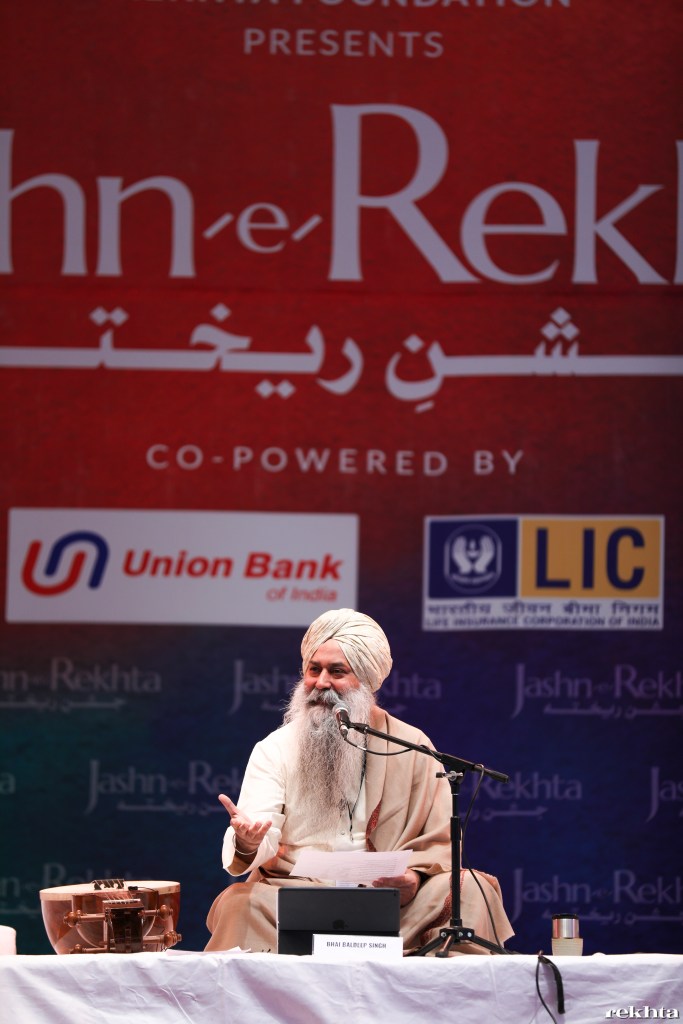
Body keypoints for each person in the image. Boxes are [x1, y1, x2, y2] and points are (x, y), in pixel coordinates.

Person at [205, 608, 513, 954]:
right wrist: (248, 842)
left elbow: (439, 839)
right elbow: (260, 830)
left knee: (473, 890)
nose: (321, 683)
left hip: (391, 902)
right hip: (300, 895)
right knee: (239, 903)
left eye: (337, 672)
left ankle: (450, 987)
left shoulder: (411, 746)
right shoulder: (275, 748)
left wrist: (413, 878)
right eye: (314, 670)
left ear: (366, 680)